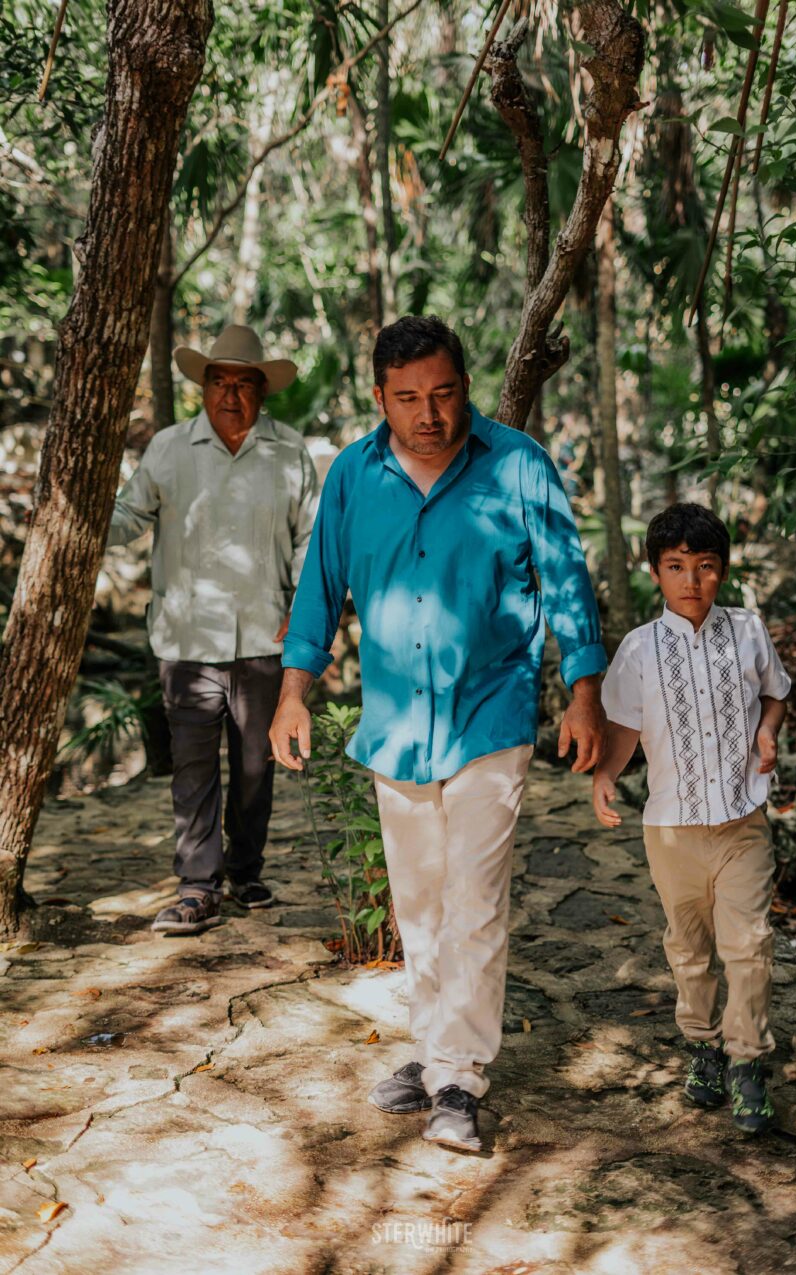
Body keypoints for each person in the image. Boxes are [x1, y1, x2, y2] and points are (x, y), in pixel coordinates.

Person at [270, 315, 606, 1151]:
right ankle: (431, 1054)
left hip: (490, 714)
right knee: (418, 903)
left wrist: (583, 690)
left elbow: (567, 579)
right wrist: (293, 692)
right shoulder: (353, 474)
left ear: (466, 384)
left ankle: (459, 1078)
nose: (430, 414)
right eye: (410, 398)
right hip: (393, 727)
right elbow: (320, 587)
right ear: (379, 397)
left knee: (474, 900)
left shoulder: (518, 464)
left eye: (445, 393)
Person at [108, 324, 319, 935]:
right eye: (220, 382)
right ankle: (199, 884)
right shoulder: (170, 449)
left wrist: (302, 606)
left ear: (262, 392)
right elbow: (128, 515)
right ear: (203, 387)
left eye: (245, 384)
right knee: (193, 767)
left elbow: (311, 537)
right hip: (185, 640)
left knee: (257, 766)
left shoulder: (289, 452)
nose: (232, 394)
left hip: (264, 639)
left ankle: (246, 869)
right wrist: (81, 511)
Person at [592, 502, 791, 1134]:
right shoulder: (639, 650)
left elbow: (776, 692)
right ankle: (703, 1046)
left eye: (705, 567)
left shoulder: (749, 631)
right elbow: (623, 727)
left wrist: (767, 735)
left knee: (750, 945)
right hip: (670, 828)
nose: (691, 581)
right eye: (676, 567)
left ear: (722, 570)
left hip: (742, 820)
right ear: (655, 571)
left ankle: (747, 1061)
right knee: (689, 948)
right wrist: (604, 778)